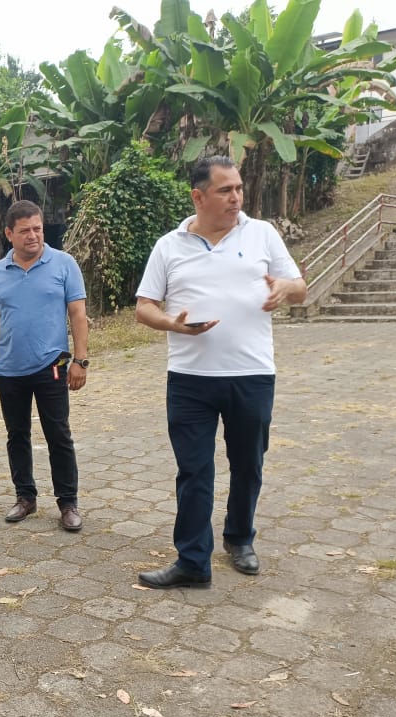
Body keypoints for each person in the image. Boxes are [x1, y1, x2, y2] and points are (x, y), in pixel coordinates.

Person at [134, 155, 307, 589]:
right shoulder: (169, 245)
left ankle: (240, 538)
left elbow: (300, 289)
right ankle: (193, 561)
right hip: (189, 379)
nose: (236, 197)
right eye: (225, 190)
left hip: (252, 374)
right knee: (194, 470)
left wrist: (285, 287)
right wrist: (171, 323)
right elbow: (144, 307)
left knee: (248, 464)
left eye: (239, 188)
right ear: (199, 196)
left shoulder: (262, 234)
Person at [0, 200, 90, 532]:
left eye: (37, 228)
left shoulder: (64, 264)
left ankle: (68, 503)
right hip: (9, 368)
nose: (33, 235)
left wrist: (80, 360)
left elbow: (78, 314)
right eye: (25, 231)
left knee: (58, 434)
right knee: (17, 435)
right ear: (9, 234)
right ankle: (25, 497)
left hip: (54, 363)